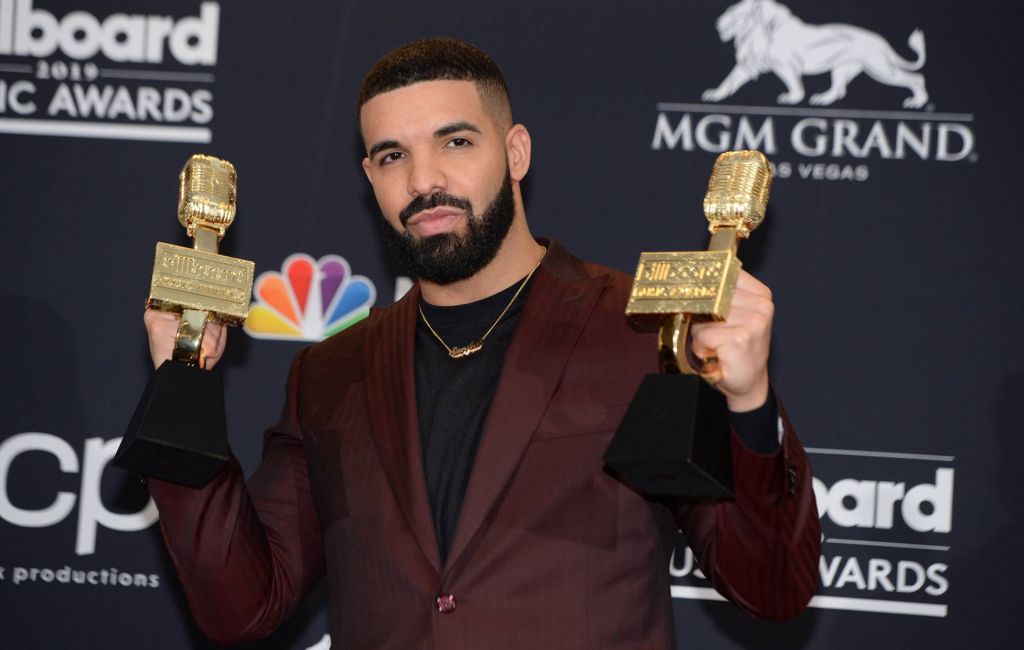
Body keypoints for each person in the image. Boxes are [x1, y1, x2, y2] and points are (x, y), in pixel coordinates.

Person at [144, 37, 820, 649]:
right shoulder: (329, 372)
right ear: (371, 177)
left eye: (456, 142)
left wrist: (750, 404)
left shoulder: (644, 332)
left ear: (516, 151)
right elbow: (244, 606)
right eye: (392, 156)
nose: (424, 180)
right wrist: (184, 384)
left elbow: (771, 585)